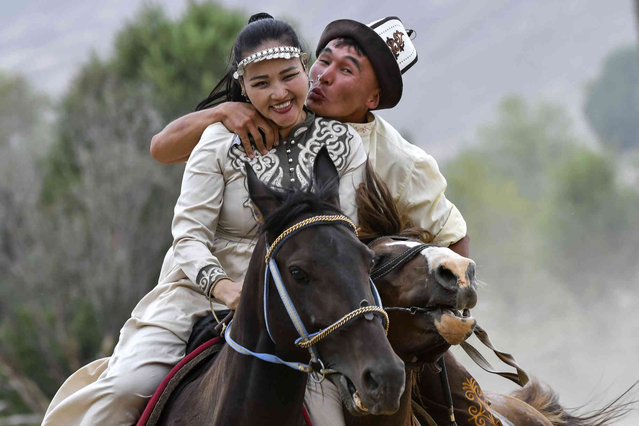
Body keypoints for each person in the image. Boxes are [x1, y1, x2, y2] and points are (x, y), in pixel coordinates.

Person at [151, 16, 502, 426]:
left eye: (346, 69)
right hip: (213, 286)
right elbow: (161, 150)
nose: (324, 77)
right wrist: (223, 111)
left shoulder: (398, 159)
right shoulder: (240, 123)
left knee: (442, 393)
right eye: (324, 61)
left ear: (372, 97)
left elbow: (452, 238)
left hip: (328, 296)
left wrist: (436, 318)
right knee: (119, 389)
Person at [42, 14, 368, 425]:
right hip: (200, 291)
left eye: (288, 76)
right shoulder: (217, 139)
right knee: (124, 388)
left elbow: (341, 237)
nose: (280, 92)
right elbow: (188, 237)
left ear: (305, 67)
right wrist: (228, 289)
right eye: (261, 83)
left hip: (301, 305)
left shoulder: (343, 144)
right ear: (243, 87)